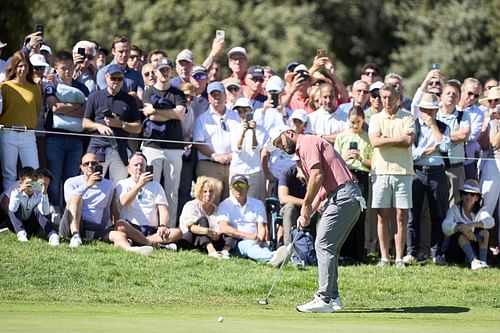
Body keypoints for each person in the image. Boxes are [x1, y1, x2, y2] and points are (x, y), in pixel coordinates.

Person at [270, 125, 363, 313]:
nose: (280, 146)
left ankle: (324, 298)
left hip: (344, 196)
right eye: (276, 146)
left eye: (280, 142)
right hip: (345, 196)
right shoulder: (304, 150)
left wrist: (305, 205)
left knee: (323, 244)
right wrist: (308, 212)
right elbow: (321, 189)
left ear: (289, 133)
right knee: (329, 247)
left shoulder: (307, 142)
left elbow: (317, 175)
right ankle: (334, 298)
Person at [60, 153, 155, 256]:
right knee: (76, 197)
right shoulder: (71, 182)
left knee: (119, 235)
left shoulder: (108, 185)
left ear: (100, 165)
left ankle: (131, 250)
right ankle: (75, 236)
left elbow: (113, 208)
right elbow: (69, 202)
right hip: (72, 224)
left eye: (94, 163)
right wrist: (88, 185)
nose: (90, 166)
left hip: (94, 228)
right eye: (86, 164)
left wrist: (115, 224)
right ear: (81, 167)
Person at [368, 84, 414, 267]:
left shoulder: (408, 116)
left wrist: (385, 140)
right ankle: (385, 257)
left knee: (401, 217)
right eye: (383, 97)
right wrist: (398, 139)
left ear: (398, 98)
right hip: (380, 171)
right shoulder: (375, 118)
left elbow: (409, 141)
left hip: (403, 172)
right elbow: (374, 142)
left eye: (390, 97)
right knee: (382, 216)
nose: (386, 101)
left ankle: (400, 258)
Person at [141, 57, 187, 227]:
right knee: (151, 188)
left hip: (174, 147)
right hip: (153, 146)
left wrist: (159, 111)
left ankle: (169, 228)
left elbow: (180, 115)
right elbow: (150, 116)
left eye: (167, 70)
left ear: (171, 71)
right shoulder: (149, 92)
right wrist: (171, 113)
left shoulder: (178, 93)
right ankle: (150, 226)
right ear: (156, 72)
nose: (165, 73)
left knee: (171, 191)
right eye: (162, 70)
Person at [406, 93, 451, 265]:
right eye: (425, 110)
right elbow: (412, 154)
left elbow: (445, 146)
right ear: (420, 110)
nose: (427, 113)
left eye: (431, 110)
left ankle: (436, 253)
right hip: (417, 172)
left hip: (437, 172)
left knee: (438, 214)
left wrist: (433, 127)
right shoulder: (413, 126)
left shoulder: (442, 126)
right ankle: (412, 252)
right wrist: (427, 150)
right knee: (413, 215)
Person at [44, 51, 90, 220]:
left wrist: (65, 107)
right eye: (63, 68)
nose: (67, 71)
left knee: (71, 178)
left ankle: (70, 212)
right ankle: (55, 209)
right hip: (55, 138)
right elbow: (53, 107)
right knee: (54, 177)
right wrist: (76, 106)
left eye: (70, 68)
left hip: (76, 140)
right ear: (56, 69)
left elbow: (87, 109)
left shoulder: (82, 87)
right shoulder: (51, 85)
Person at [83, 64, 142, 184]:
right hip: (98, 147)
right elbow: (85, 122)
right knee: (94, 183)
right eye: (113, 78)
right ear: (106, 77)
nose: (116, 82)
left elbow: (137, 128)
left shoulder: (129, 99)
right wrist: (98, 126)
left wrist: (120, 124)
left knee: (119, 186)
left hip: (120, 149)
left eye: (119, 79)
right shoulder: (95, 96)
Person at [217, 174, 290, 265]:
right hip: (236, 243)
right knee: (248, 245)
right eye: (235, 185)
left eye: (242, 185)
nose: (238, 188)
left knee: (254, 246)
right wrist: (247, 236)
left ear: (248, 187)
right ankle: (272, 257)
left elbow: (262, 226)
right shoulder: (225, 205)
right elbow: (224, 228)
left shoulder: (258, 204)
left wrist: (259, 239)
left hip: (256, 240)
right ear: (231, 188)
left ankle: (276, 256)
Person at [116, 153, 181, 250]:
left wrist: (163, 225)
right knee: (120, 225)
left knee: (178, 233)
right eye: (136, 165)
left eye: (142, 165)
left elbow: (163, 210)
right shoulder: (122, 184)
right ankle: (152, 243)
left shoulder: (156, 185)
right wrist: (139, 185)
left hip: (151, 230)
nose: (139, 167)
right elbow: (123, 202)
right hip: (131, 227)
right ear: (129, 169)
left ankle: (139, 241)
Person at [335, 106, 372, 264]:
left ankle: (358, 255)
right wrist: (345, 157)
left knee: (360, 216)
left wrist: (361, 158)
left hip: (362, 176)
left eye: (358, 122)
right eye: (352, 122)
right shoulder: (342, 137)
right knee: (344, 216)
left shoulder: (368, 138)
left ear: (363, 120)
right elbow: (334, 161)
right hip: (346, 176)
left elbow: (373, 163)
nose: (355, 125)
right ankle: (343, 253)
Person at [0, 51, 42, 191]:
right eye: (19, 66)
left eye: (25, 66)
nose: (22, 69)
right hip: (8, 133)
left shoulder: (34, 87)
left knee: (34, 172)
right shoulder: (5, 86)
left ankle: (34, 208)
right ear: (13, 67)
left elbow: (37, 108)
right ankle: (9, 209)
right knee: (9, 174)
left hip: (28, 135)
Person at [193, 81, 240, 201]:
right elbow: (198, 143)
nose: (217, 98)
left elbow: (242, 139)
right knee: (210, 202)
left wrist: (231, 155)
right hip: (210, 164)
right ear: (208, 98)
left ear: (225, 96)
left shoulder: (236, 116)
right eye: (213, 95)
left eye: (219, 94)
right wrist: (215, 156)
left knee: (232, 202)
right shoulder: (202, 119)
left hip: (233, 164)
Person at [442, 180, 494, 269]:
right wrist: (461, 228)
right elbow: (445, 226)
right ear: (461, 196)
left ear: (477, 198)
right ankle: (474, 261)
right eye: (465, 194)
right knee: (459, 233)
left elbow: (490, 222)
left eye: (472, 194)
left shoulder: (481, 211)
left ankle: (482, 261)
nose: (468, 197)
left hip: (474, 245)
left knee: (484, 232)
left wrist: (471, 225)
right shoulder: (454, 209)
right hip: (457, 251)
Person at [179, 176, 232, 258]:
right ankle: (210, 250)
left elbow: (220, 228)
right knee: (203, 220)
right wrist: (207, 231)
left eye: (211, 191)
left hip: (213, 239)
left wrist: (217, 232)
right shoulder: (191, 205)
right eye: (205, 191)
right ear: (199, 193)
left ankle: (225, 252)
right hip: (192, 238)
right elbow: (190, 227)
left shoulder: (218, 209)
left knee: (232, 230)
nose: (208, 194)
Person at [436, 81, 471, 207]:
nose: (451, 96)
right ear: (441, 96)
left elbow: (464, 135)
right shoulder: (434, 114)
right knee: (435, 206)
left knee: (455, 205)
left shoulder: (463, 115)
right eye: (448, 93)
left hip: (456, 168)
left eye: (455, 94)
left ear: (458, 98)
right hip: (436, 168)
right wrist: (453, 137)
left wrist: (440, 137)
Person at [7, 167, 59, 245]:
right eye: (29, 183)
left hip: (32, 224)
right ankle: (21, 233)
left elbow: (45, 212)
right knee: (13, 207)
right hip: (16, 224)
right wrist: (20, 190)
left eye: (34, 183)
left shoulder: (39, 193)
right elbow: (12, 209)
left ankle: (52, 235)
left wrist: (44, 193)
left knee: (38, 209)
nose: (31, 186)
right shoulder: (16, 192)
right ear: (21, 183)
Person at [230, 97, 267, 200]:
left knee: (252, 201)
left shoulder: (261, 129)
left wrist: (253, 131)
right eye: (240, 111)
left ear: (251, 111)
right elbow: (237, 148)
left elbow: (256, 148)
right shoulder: (234, 127)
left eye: (245, 111)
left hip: (253, 170)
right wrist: (243, 133)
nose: (243, 114)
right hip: (237, 169)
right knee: (235, 201)